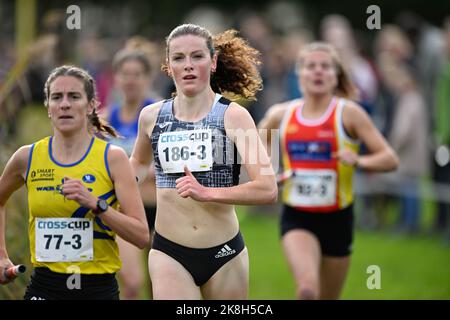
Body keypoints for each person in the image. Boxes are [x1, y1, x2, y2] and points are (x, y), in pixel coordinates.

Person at [130, 23, 277, 300]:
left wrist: (207, 193)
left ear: (213, 62)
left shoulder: (235, 117)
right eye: (178, 58)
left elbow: (267, 189)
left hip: (224, 253)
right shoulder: (151, 117)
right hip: (168, 251)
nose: (188, 65)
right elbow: (135, 165)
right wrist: (106, 192)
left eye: (197, 56)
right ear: (168, 65)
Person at [258, 42, 398, 300]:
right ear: (299, 74)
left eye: (325, 67)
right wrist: (268, 170)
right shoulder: (281, 114)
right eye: (310, 66)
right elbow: (256, 140)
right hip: (297, 216)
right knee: (307, 290)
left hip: (338, 218)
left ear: (336, 76)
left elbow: (390, 159)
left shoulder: (349, 114)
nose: (318, 72)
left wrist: (358, 160)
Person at [0, 65, 149, 299]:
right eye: (57, 97)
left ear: (90, 106)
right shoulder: (26, 157)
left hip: (96, 289)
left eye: (74, 96)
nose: (65, 104)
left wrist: (96, 205)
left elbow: (141, 236)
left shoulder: (113, 158)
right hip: (44, 286)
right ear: (48, 107)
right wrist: (1, 255)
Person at [103, 48, 157, 299]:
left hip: (160, 210)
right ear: (116, 78)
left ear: (147, 78)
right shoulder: (104, 120)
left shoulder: (159, 116)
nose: (131, 80)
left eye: (137, 74)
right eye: (125, 74)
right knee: (133, 282)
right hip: (126, 211)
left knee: (158, 285)